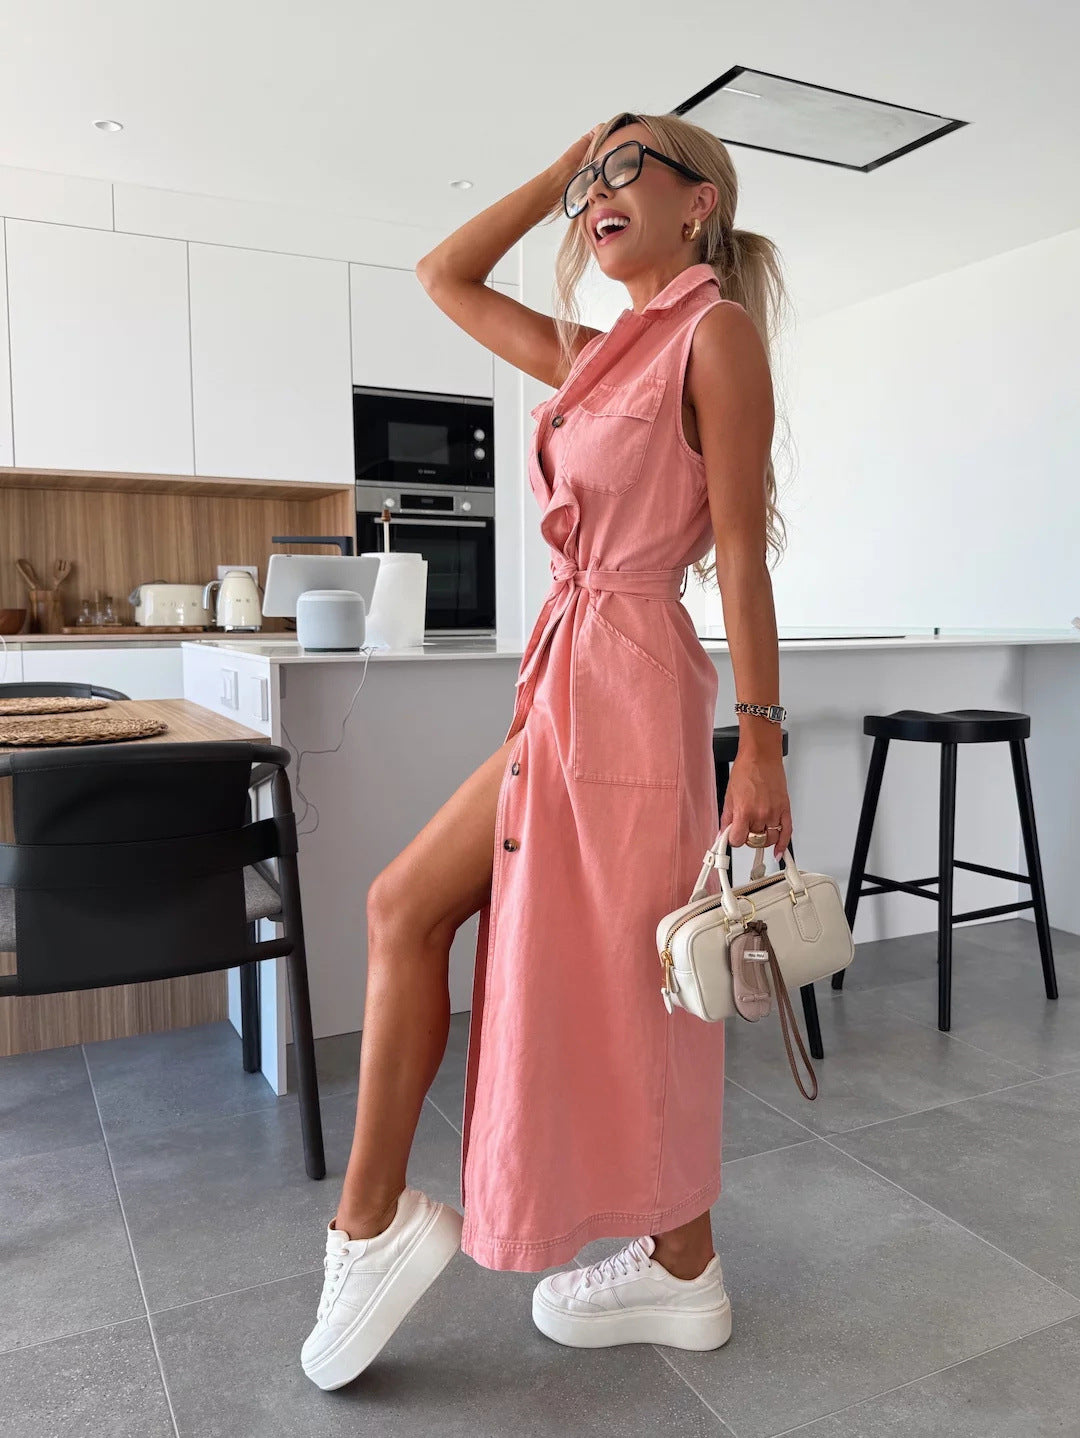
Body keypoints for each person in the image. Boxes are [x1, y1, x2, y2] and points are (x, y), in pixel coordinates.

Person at [300, 110, 793, 1391]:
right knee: (425, 911)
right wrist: (562, 169)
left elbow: (742, 552)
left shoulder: (714, 336)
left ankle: (670, 1262)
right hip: (567, 681)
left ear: (700, 203)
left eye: (632, 168)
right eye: (595, 178)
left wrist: (763, 745)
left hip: (631, 686)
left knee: (631, 966)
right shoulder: (597, 353)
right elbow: (444, 275)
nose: (602, 191)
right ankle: (638, 1260)